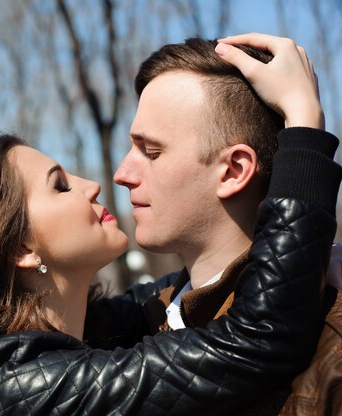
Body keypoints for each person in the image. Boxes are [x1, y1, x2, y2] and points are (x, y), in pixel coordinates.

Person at [0, 35, 340, 415]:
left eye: (150, 150)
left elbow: (175, 298)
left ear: (234, 170)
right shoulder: (14, 382)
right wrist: (305, 127)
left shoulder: (111, 327)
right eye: (59, 186)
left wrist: (312, 254)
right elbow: (257, 338)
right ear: (21, 249)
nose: (109, 179)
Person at [86, 33, 341, 415]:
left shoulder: (330, 348)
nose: (122, 174)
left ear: (233, 171)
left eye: (151, 151)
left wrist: (304, 124)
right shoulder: (142, 322)